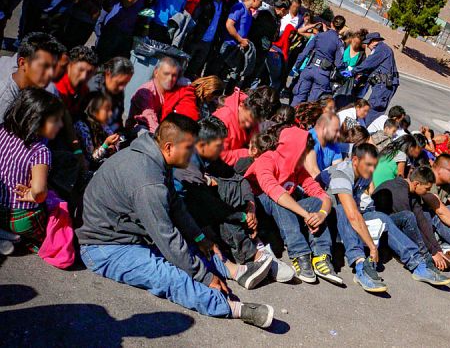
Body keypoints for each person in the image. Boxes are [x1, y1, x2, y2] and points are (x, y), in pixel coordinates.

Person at [77, 114, 276, 328]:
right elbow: (167, 237)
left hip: (132, 233)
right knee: (167, 274)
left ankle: (233, 272)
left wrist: (200, 237)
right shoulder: (148, 181)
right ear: (169, 147)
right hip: (105, 247)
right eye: (189, 148)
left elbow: (176, 207)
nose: (192, 154)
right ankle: (232, 308)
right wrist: (204, 277)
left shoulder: (156, 157)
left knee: (195, 246)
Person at [173, 117, 294, 283]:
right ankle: (253, 255)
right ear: (203, 144)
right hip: (185, 220)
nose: (223, 148)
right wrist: (243, 217)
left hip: (205, 214)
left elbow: (238, 178)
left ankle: (253, 249)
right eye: (219, 145)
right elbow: (212, 208)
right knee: (222, 201)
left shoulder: (208, 158)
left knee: (229, 187)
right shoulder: (187, 166)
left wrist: (250, 206)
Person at [327, 143, 450, 291]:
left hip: (350, 214)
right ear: (354, 160)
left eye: (374, 165)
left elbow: (360, 206)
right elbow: (352, 215)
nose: (372, 170)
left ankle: (418, 264)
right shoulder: (342, 173)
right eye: (368, 165)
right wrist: (372, 247)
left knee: (381, 217)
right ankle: (361, 265)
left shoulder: (364, 174)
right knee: (344, 210)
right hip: (325, 217)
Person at [244, 125, 341, 285]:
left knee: (316, 203)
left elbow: (322, 196)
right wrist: (305, 214)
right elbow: (274, 190)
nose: (306, 157)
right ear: (292, 148)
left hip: (284, 212)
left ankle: (321, 256)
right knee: (279, 199)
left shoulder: (298, 169)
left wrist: (321, 213)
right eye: (304, 152)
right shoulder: (267, 159)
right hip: (258, 209)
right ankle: (300, 254)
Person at [373, 166, 450, 274]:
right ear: (417, 184)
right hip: (380, 229)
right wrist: (432, 252)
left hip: (394, 222)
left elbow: (421, 221)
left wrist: (437, 249)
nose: (427, 192)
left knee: (425, 214)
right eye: (426, 189)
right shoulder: (400, 194)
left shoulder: (412, 192)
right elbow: (412, 228)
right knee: (409, 219)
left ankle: (437, 250)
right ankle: (422, 258)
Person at [0, 88, 64, 251]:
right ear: (37, 120)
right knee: (56, 238)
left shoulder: (3, 130)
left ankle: (8, 235)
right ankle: (27, 241)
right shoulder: (40, 152)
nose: (60, 125)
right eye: (55, 120)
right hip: (21, 217)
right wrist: (32, 194)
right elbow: (39, 192)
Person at [0, 32, 62, 122]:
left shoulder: (32, 88)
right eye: (44, 66)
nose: (51, 74)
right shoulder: (4, 100)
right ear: (22, 63)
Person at [213, 86, 278, 166]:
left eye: (252, 123)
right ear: (241, 105)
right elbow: (220, 156)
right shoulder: (222, 119)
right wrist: (248, 152)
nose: (248, 125)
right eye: (245, 120)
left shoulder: (254, 113)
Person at [290, 15, 347, 105]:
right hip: (323, 74)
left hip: (310, 68)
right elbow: (338, 63)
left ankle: (290, 116)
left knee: (298, 97)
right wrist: (345, 68)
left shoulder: (319, 36)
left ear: (331, 23)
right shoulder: (339, 43)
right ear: (342, 27)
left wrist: (296, 66)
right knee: (311, 104)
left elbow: (304, 53)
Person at [185, 0, 232, 78]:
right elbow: (195, 18)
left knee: (193, 69)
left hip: (208, 43)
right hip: (196, 38)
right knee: (182, 65)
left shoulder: (224, 5)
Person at [352, 32, 398, 125]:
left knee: (373, 108)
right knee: (376, 109)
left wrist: (353, 71)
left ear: (373, 41)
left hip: (384, 86)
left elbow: (368, 64)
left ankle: (361, 129)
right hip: (384, 85)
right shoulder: (383, 49)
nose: (368, 46)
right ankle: (364, 129)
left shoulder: (381, 49)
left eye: (368, 44)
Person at [126, 56, 181, 134]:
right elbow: (150, 119)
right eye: (166, 74)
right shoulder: (146, 92)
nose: (170, 79)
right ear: (156, 72)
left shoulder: (171, 89)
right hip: (139, 128)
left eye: (174, 75)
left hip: (159, 127)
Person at [87, 57, 133, 133]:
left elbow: (118, 118)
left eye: (125, 83)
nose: (122, 88)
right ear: (108, 74)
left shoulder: (118, 90)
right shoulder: (93, 88)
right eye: (119, 83)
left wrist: (120, 133)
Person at [74, 91, 119, 170]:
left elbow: (114, 142)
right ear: (94, 111)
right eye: (107, 110)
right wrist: (105, 145)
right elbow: (91, 158)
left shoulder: (103, 125)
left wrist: (114, 146)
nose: (111, 113)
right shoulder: (82, 126)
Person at [54, 45, 98, 117]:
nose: (84, 76)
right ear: (69, 66)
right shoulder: (55, 88)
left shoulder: (84, 90)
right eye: (80, 70)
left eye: (89, 73)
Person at [304, 112, 344, 180]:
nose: (339, 135)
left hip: (321, 182)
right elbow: (314, 174)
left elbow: (339, 169)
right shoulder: (309, 140)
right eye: (336, 130)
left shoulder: (332, 142)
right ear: (324, 128)